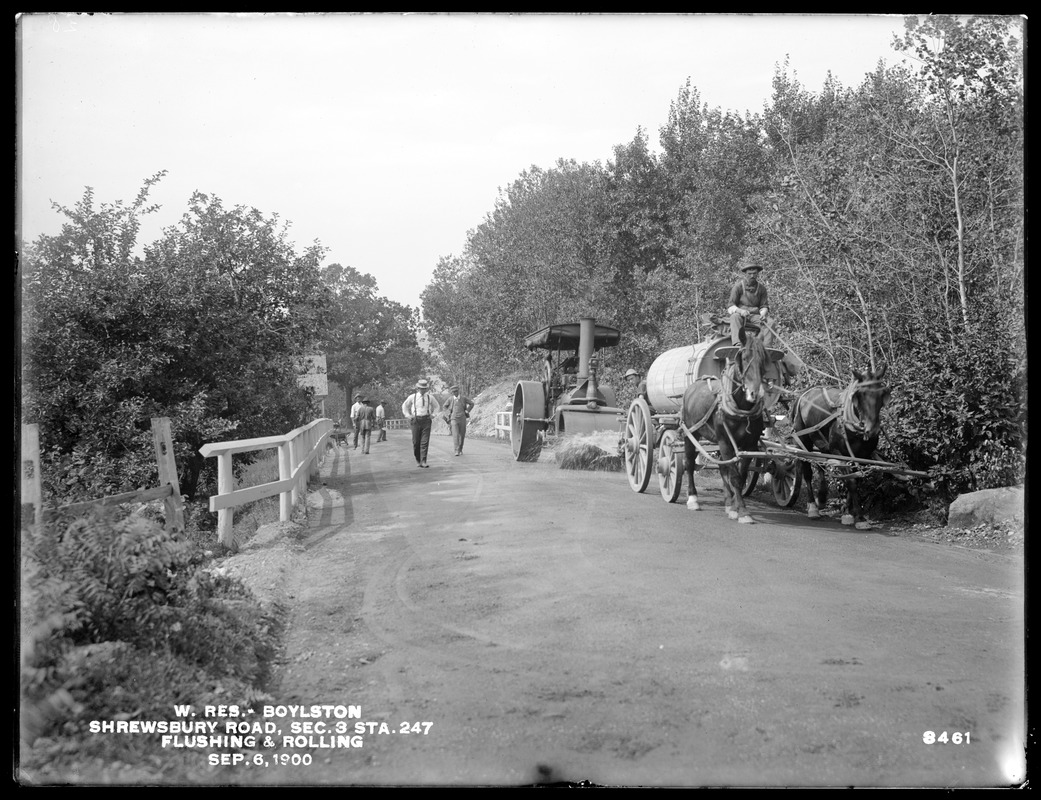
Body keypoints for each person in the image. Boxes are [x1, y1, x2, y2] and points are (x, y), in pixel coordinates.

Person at [728, 261, 775, 347]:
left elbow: (764, 305)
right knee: (734, 317)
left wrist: (763, 313)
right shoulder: (738, 287)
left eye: (754, 273)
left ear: (757, 274)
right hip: (741, 315)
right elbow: (731, 306)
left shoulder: (762, 288)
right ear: (745, 274)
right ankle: (738, 343)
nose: (752, 276)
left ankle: (767, 347)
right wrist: (740, 311)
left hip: (755, 316)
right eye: (750, 274)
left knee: (770, 322)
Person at [402, 379, 441, 468]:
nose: (422, 390)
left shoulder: (430, 397)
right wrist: (408, 415)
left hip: (426, 420)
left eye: (424, 389)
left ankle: (423, 461)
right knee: (416, 442)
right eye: (421, 388)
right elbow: (404, 406)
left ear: (426, 389)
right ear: (418, 388)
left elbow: (437, 406)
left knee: (425, 442)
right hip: (416, 420)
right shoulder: (412, 397)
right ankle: (418, 459)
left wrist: (433, 415)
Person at [443, 385, 475, 456]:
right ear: (452, 392)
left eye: (456, 391)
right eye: (453, 392)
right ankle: (456, 450)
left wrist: (467, 410)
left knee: (462, 435)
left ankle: (460, 449)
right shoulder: (450, 399)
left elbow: (472, 403)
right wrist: (448, 413)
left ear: (458, 391)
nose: (455, 393)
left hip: (462, 418)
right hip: (453, 419)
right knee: (455, 434)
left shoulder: (463, 398)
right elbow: (444, 406)